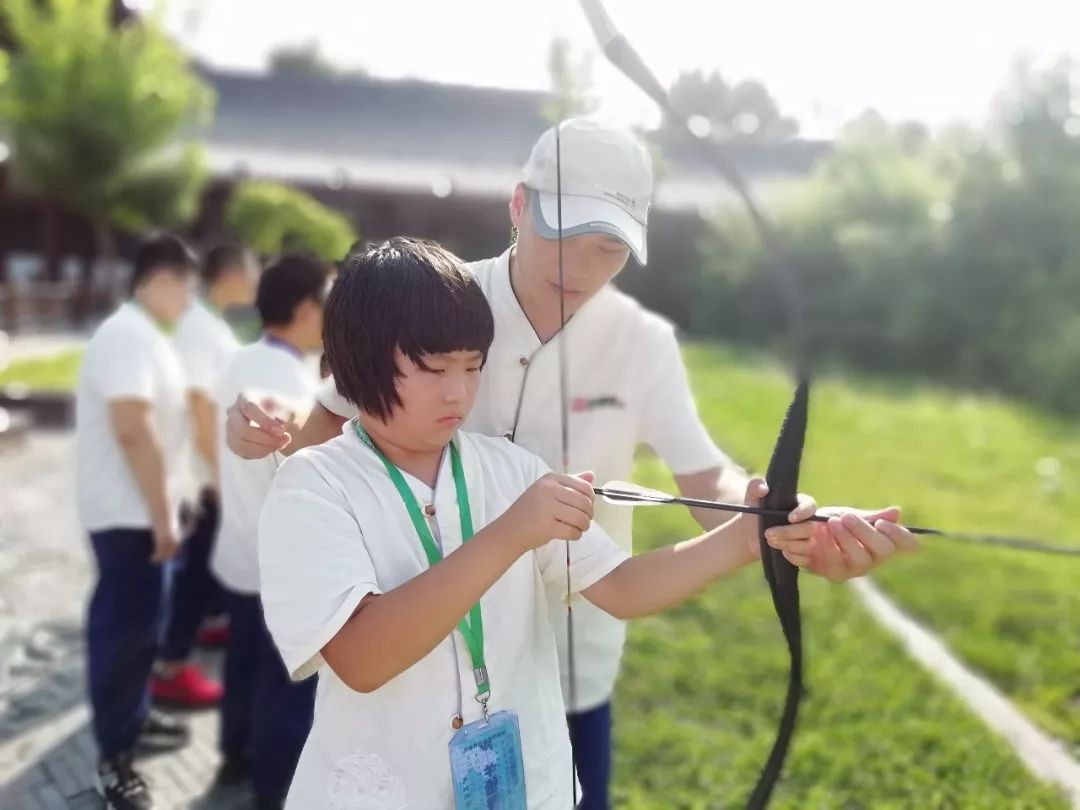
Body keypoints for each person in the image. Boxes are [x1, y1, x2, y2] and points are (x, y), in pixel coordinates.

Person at [256, 237, 916, 808]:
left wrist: (746, 536)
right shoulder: (314, 485)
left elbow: (622, 587)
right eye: (433, 370)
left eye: (472, 366)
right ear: (361, 363)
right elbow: (363, 657)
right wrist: (510, 535)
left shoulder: (510, 470)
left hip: (528, 788)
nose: (459, 392)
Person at [225, 117, 754, 807]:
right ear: (518, 204)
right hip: (395, 736)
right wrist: (268, 427)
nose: (582, 267)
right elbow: (327, 418)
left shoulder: (610, 373)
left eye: (608, 248)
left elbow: (655, 541)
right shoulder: (436, 302)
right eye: (563, 233)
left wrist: (755, 526)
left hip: (550, 692)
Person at [75, 233, 199, 810]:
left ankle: (134, 720)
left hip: (145, 513)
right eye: (186, 287)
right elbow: (133, 427)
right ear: (163, 278)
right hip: (132, 517)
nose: (188, 300)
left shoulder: (145, 336)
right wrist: (161, 518)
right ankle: (114, 760)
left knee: (144, 631)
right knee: (124, 637)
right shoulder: (127, 336)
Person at [212, 253, 334, 810]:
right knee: (286, 684)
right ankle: (274, 789)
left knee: (244, 663)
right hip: (279, 559)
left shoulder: (242, 359)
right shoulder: (291, 379)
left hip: (237, 540)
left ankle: (235, 755)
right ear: (307, 308)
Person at [151, 243, 260, 707]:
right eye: (252, 269)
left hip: (213, 470)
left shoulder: (211, 324)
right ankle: (170, 666)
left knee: (207, 560)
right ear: (232, 273)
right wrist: (216, 475)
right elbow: (197, 406)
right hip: (204, 476)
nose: (256, 280)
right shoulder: (199, 329)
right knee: (197, 566)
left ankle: (205, 627)